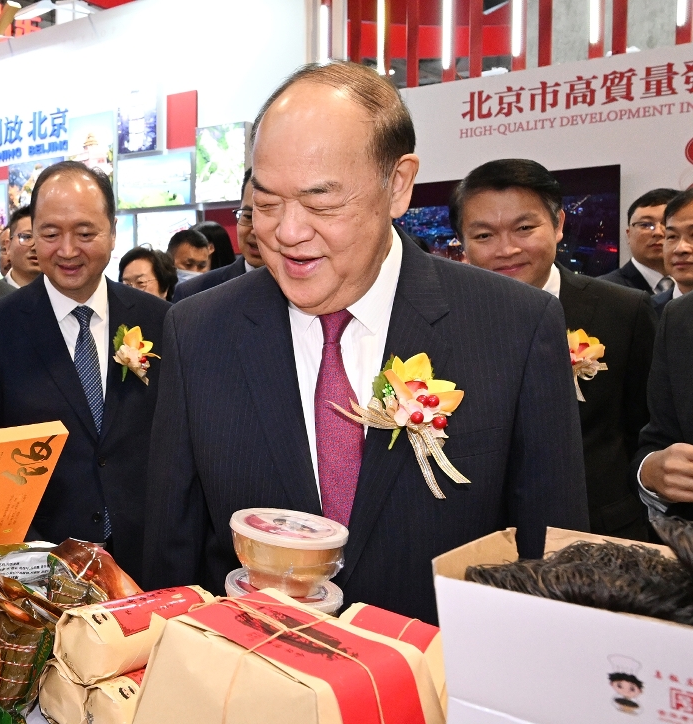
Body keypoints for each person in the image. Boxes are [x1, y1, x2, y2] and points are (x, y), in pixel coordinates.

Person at [143, 62, 588, 623]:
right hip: (255, 665)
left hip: (440, 670)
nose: (287, 232)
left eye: (321, 203)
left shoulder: (513, 327)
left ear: (397, 184)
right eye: (267, 203)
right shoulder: (199, 331)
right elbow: (174, 552)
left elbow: (554, 560)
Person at [0, 161, 170, 577]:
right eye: (50, 234)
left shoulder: (161, 321)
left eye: (85, 234)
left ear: (113, 232)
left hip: (148, 556)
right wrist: (32, 560)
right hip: (41, 565)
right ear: (32, 234)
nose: (67, 251)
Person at [450, 159, 654, 540]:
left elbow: (645, 432)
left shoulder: (623, 311)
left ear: (558, 224)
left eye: (524, 228)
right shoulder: (446, 322)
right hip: (477, 539)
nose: (506, 249)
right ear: (462, 243)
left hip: (598, 534)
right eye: (484, 235)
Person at [635, 188, 693, 514]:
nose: (681, 248)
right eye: (673, 236)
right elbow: (657, 437)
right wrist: (651, 471)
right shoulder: (678, 318)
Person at [174, 170, 264, 301]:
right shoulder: (193, 293)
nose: (255, 230)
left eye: (268, 216)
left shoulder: (296, 289)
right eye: (248, 216)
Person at [601, 188, 679, 295]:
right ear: (628, 235)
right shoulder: (603, 290)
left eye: (666, 223)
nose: (658, 232)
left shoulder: (687, 286)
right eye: (645, 224)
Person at [4, 205, 40, 288]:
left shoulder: (64, 293)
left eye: (46, 236)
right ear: (8, 247)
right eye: (26, 237)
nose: (35, 248)